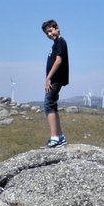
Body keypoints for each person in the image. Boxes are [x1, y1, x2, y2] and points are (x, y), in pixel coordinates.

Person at [42, 19, 69, 148]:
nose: (49, 34)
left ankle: (55, 138)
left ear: (57, 28)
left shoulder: (60, 42)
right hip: (54, 79)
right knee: (52, 106)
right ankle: (60, 136)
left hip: (55, 79)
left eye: (51, 31)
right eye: (47, 33)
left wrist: (48, 78)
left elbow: (58, 61)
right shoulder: (56, 43)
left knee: (48, 105)